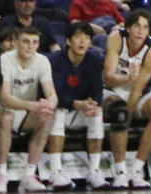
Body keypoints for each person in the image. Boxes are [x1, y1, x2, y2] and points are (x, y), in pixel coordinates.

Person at [102, 9, 151, 189]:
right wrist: (127, 79)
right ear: (128, 28)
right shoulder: (116, 38)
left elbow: (139, 87)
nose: (140, 31)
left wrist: (130, 113)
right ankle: (121, 172)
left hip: (137, 90)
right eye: (137, 26)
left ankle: (137, 169)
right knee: (120, 112)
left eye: (145, 27)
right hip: (113, 87)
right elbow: (108, 76)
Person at [0, 27, 56, 194]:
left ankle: (29, 175)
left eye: (34, 42)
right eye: (26, 41)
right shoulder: (4, 59)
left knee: (46, 118)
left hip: (24, 112)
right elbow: (5, 98)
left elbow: (52, 95)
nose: (30, 46)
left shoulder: (42, 60)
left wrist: (48, 105)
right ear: (16, 43)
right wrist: (32, 105)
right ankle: (1, 176)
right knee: (6, 118)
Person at [46, 23, 107, 190]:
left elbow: (97, 90)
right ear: (67, 41)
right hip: (62, 109)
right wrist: (76, 104)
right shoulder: (54, 61)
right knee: (58, 111)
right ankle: (55, 171)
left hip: (80, 110)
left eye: (87, 38)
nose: (83, 41)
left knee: (97, 113)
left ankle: (94, 171)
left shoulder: (94, 60)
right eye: (78, 37)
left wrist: (93, 103)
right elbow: (54, 94)